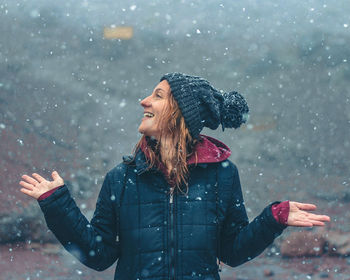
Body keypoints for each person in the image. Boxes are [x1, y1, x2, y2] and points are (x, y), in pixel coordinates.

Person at [19, 72, 330, 280]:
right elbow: (99, 255)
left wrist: (272, 218)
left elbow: (232, 251)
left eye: (157, 96)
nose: (144, 101)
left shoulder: (222, 175)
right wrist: (56, 204)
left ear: (182, 113)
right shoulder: (121, 178)